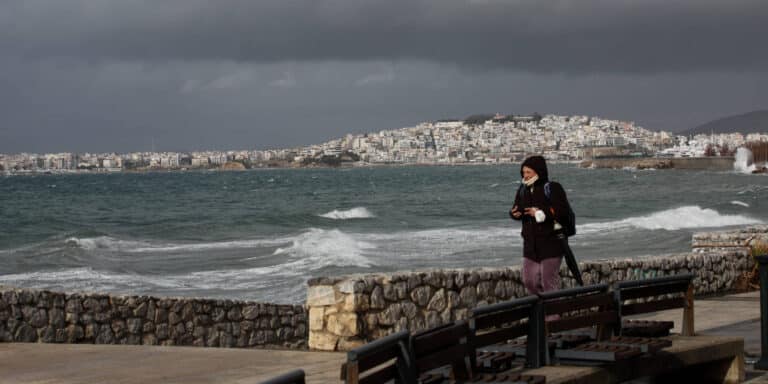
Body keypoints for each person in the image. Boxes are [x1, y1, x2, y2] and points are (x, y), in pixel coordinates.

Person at [509, 155, 570, 295]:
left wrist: (541, 212)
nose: (525, 176)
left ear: (539, 172)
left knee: (548, 284)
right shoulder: (522, 190)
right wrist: (514, 214)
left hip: (551, 244)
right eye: (523, 173)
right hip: (531, 245)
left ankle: (551, 316)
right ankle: (540, 313)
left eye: (528, 172)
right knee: (529, 281)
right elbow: (516, 208)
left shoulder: (553, 188)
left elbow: (562, 211)